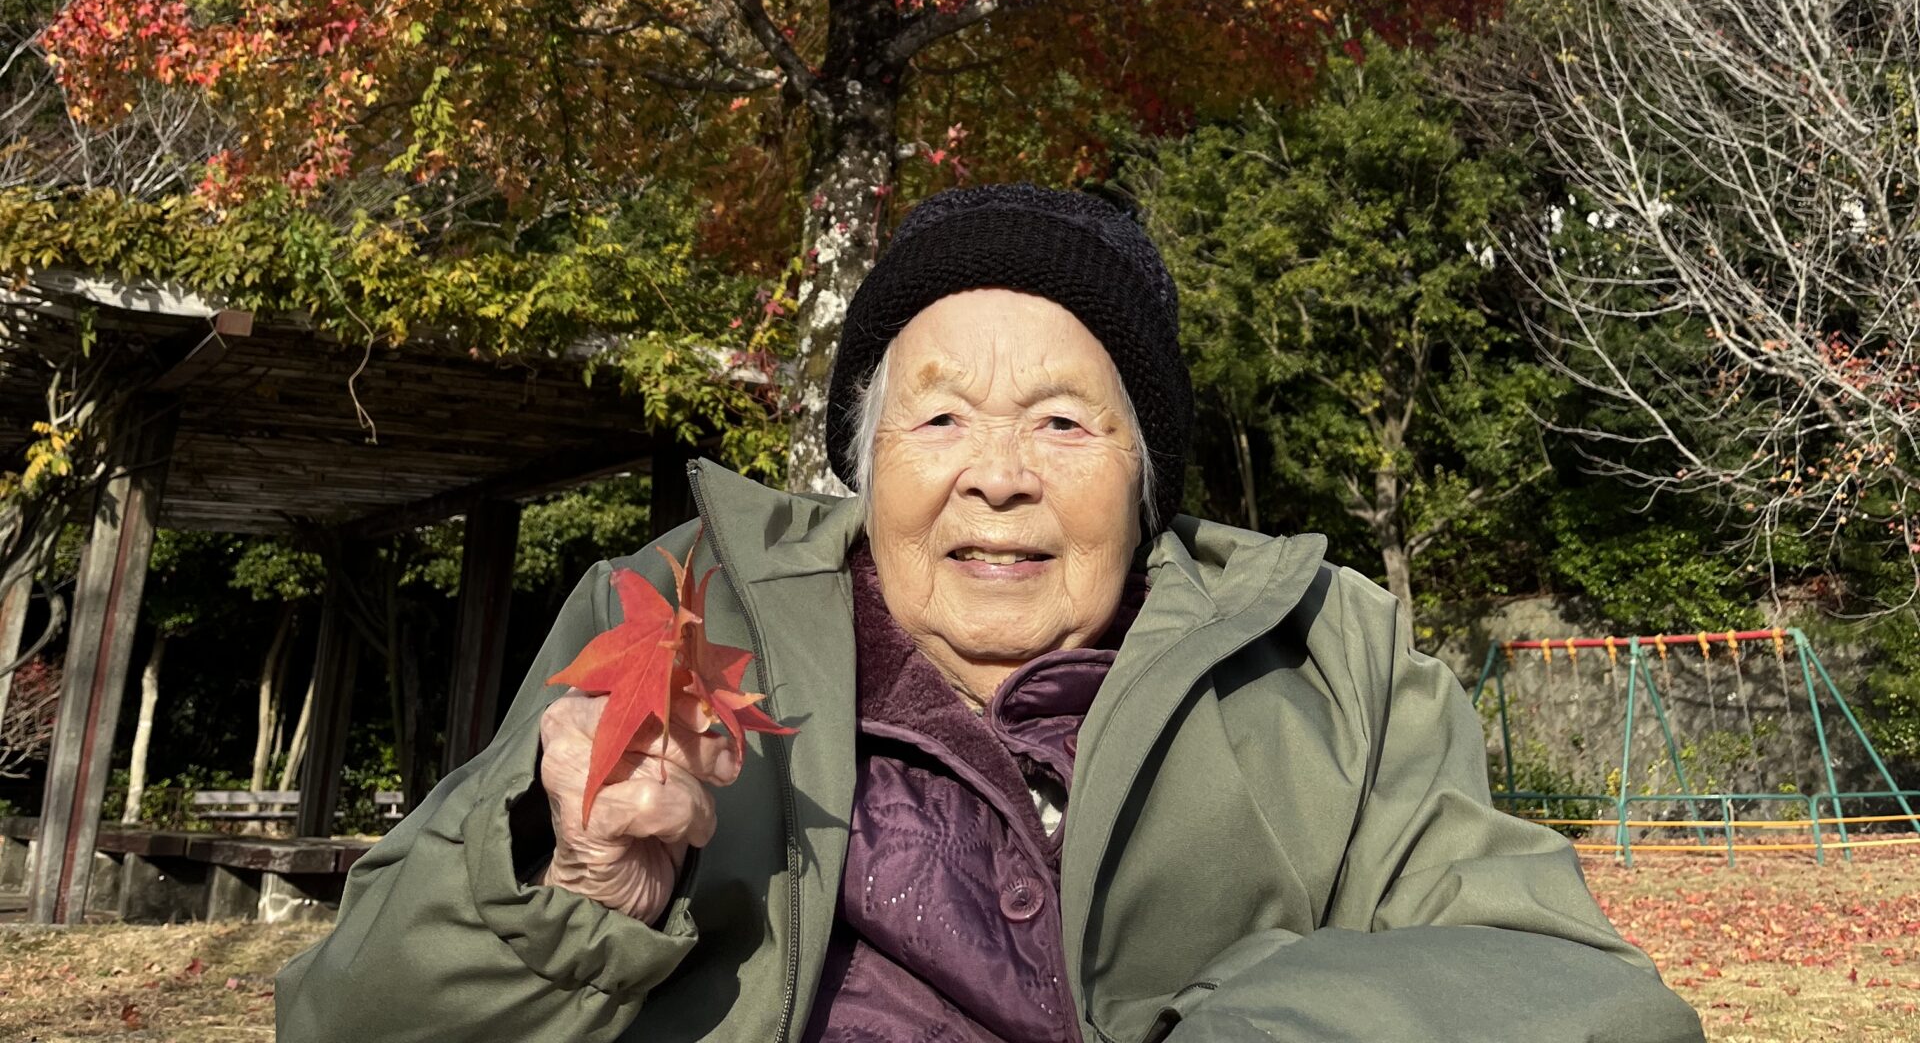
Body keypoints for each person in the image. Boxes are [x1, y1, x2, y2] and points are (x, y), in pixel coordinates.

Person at [276, 183, 1703, 1043]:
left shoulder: (1326, 659)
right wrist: (580, 899)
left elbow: (1577, 995)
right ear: (865, 463)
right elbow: (345, 1021)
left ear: (1145, 479)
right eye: (941, 416)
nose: (1000, 475)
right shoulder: (679, 615)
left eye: (1065, 422)